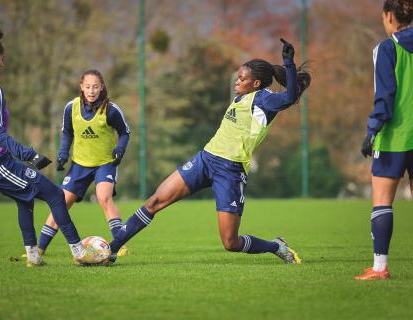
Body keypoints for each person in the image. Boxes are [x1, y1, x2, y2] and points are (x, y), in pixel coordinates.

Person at [108, 38, 311, 264]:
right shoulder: (240, 97)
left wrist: (288, 63)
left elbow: (291, 97)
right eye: (238, 77)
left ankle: (276, 246)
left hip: (230, 171)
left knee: (230, 243)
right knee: (155, 201)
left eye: (242, 79)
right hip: (206, 159)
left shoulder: (264, 99)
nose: (237, 81)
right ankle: (111, 249)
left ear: (256, 84)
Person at [0, 28, 101, 267]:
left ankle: (33, 257)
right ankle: (79, 252)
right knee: (56, 195)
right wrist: (30, 155)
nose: (3, 64)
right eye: (2, 59)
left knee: (24, 200)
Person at [36, 69, 130, 257]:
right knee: (61, 203)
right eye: (88, 86)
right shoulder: (71, 107)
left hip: (105, 163)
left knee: (104, 198)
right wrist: (63, 153)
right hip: (80, 164)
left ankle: (120, 245)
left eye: (95, 86)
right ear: (81, 87)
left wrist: (120, 149)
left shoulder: (111, 110)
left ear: (101, 87)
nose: (91, 91)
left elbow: (125, 132)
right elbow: (67, 133)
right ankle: (40, 248)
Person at [356, 0, 413, 280]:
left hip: (395, 136)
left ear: (389, 16)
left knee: (382, 201)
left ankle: (379, 268)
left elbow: (385, 96)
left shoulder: (387, 48)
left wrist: (371, 131)